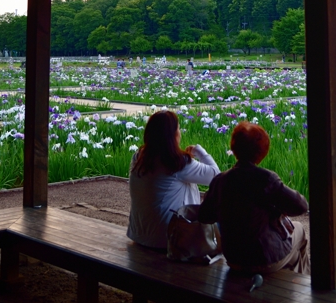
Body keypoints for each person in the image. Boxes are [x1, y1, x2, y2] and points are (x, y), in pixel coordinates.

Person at [199, 122, 309, 275]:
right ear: (262, 150)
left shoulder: (220, 180)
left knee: (292, 250)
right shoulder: (266, 179)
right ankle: (304, 287)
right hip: (264, 258)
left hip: (234, 259)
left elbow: (204, 216)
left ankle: (287, 281)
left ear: (234, 148)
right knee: (300, 231)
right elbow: (301, 206)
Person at [127, 110, 219, 249]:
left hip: (139, 235)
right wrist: (199, 151)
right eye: (178, 128)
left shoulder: (139, 157)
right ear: (173, 134)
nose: (180, 132)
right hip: (166, 239)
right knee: (218, 222)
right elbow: (216, 176)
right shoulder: (177, 162)